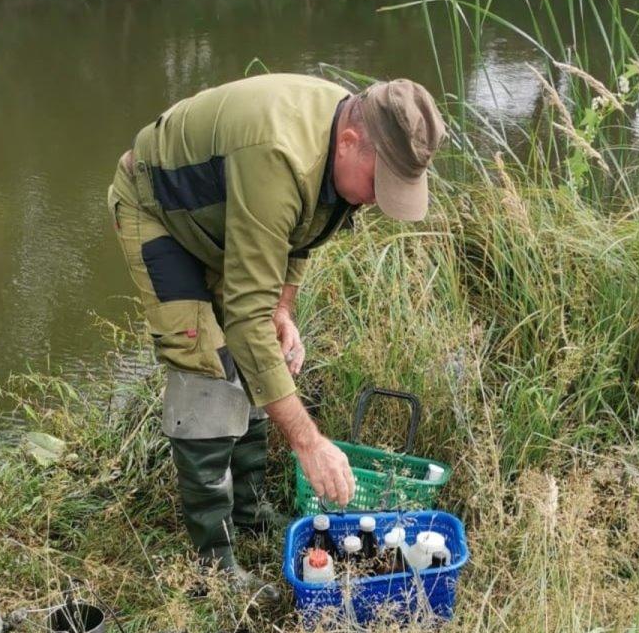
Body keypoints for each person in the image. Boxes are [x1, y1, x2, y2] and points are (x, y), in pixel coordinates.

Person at [107, 73, 445, 600]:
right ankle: (212, 565)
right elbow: (243, 318)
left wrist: (282, 309)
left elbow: (303, 229)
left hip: (224, 220)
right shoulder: (279, 156)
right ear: (351, 143)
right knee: (208, 364)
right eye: (380, 185)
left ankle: (248, 509)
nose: (379, 202)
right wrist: (307, 443)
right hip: (159, 213)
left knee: (265, 340)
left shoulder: (341, 137)